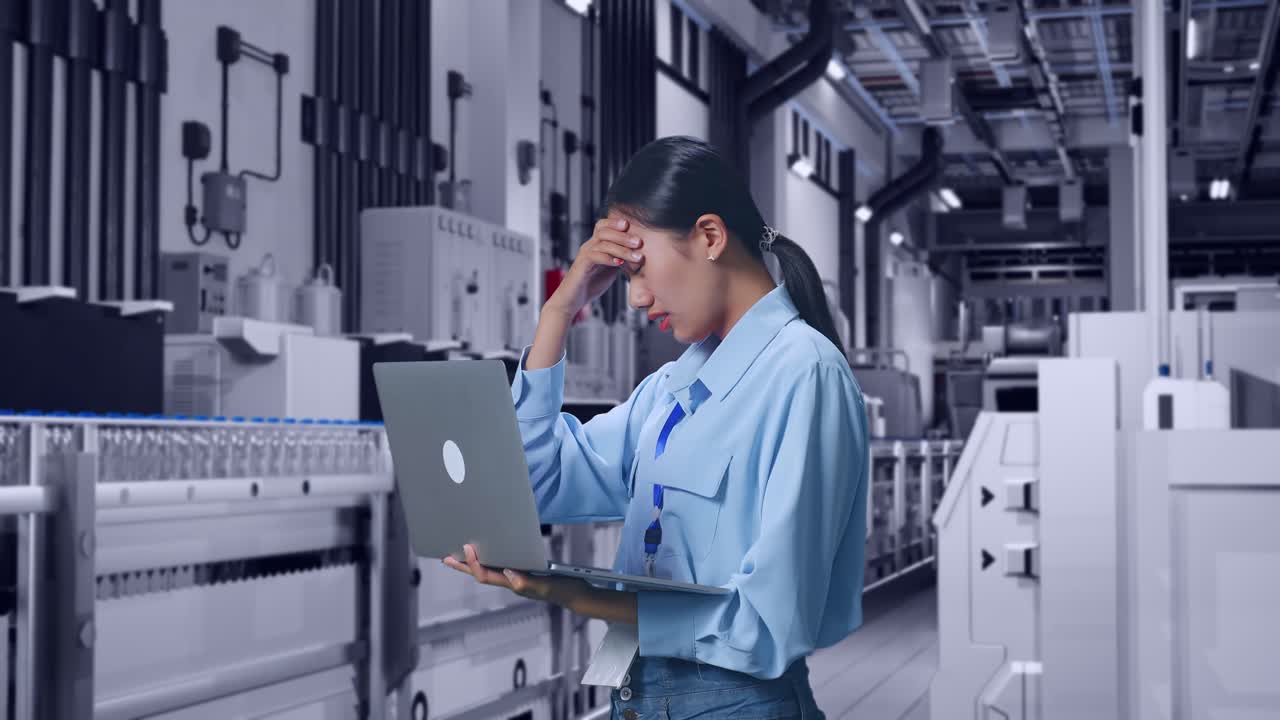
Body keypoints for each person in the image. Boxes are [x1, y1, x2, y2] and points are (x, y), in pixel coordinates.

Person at [444, 136, 869, 720]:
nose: (636, 298)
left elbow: (767, 624)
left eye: (639, 269)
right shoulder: (670, 390)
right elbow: (534, 486)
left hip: (735, 705)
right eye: (624, 277)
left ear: (710, 237)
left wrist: (578, 595)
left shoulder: (804, 374)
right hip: (637, 693)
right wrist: (558, 312)